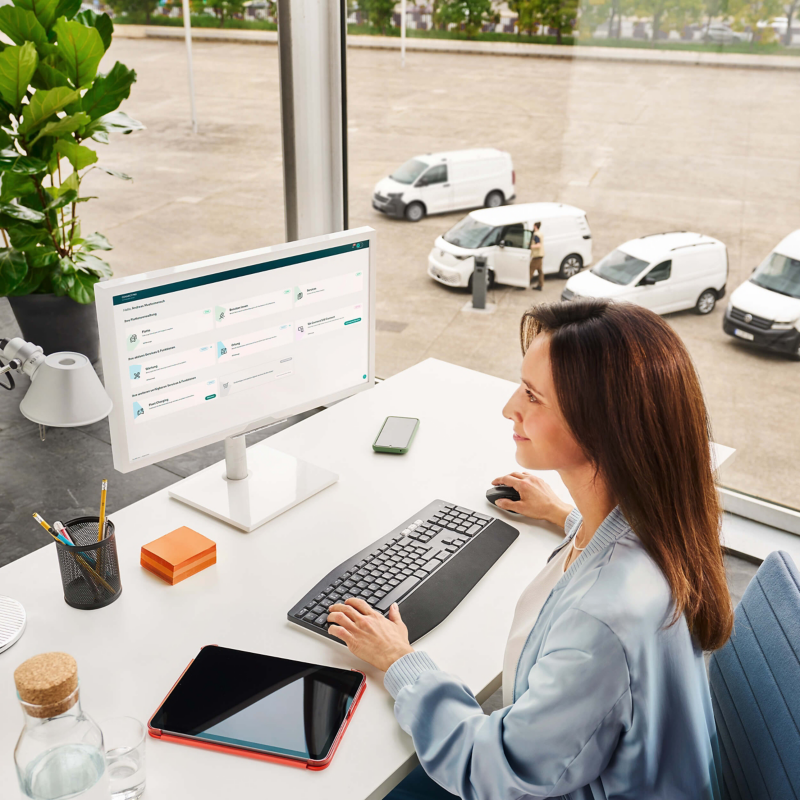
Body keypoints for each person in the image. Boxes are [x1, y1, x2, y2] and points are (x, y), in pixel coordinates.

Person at [327, 298, 733, 800]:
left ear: (601, 427)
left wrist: (400, 662)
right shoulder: (666, 524)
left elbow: (495, 770)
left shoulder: (603, 618)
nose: (509, 408)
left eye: (533, 397)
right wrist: (565, 515)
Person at [529, 221, 544, 291]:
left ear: (535, 226)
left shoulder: (536, 235)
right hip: (540, 254)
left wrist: (531, 246)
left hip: (536, 255)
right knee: (540, 271)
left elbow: (538, 245)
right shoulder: (540, 233)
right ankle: (540, 285)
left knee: (531, 270)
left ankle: (525, 283)